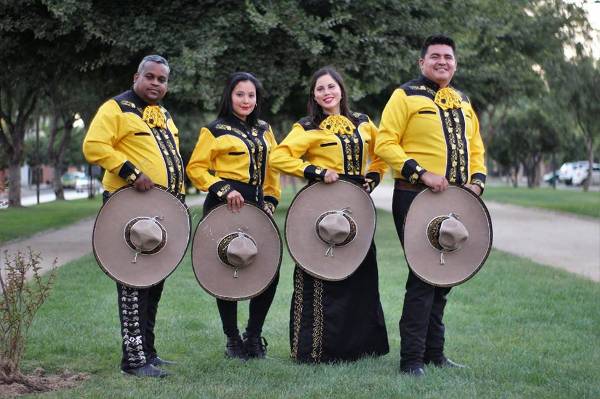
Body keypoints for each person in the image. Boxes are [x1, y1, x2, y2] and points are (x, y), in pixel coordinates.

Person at [375, 35, 487, 376]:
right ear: (422, 62)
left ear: (455, 63)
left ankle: (435, 353)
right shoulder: (404, 95)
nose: (442, 61)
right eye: (435, 56)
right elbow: (384, 141)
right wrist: (420, 172)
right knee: (423, 276)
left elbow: (477, 147)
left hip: (458, 200)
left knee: (445, 277)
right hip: (415, 195)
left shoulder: (463, 101)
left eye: (448, 57)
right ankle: (411, 360)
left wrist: (478, 181)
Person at [270, 67, 389, 363]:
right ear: (314, 95)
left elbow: (382, 152)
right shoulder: (308, 126)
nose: (326, 92)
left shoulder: (363, 122)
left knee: (360, 272)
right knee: (321, 272)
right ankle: (317, 349)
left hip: (358, 206)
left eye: (331, 86)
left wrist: (372, 178)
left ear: (341, 89)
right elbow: (278, 157)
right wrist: (316, 171)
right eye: (320, 89)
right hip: (321, 205)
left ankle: (360, 347)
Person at [83, 55, 184, 378]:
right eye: (150, 77)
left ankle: (148, 353)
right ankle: (134, 361)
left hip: (161, 211)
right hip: (128, 208)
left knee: (154, 284)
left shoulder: (164, 115)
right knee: (132, 284)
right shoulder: (115, 108)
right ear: (136, 77)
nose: (156, 83)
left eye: (162, 79)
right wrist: (130, 171)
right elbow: (94, 146)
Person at [186, 72, 281, 360]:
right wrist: (224, 189)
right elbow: (196, 168)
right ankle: (232, 340)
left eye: (251, 95)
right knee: (225, 271)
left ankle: (253, 336)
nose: (246, 100)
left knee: (269, 271)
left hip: (257, 205)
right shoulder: (214, 130)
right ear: (229, 96)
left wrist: (272, 199)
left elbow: (272, 169)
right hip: (224, 204)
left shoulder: (265, 129)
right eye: (240, 94)